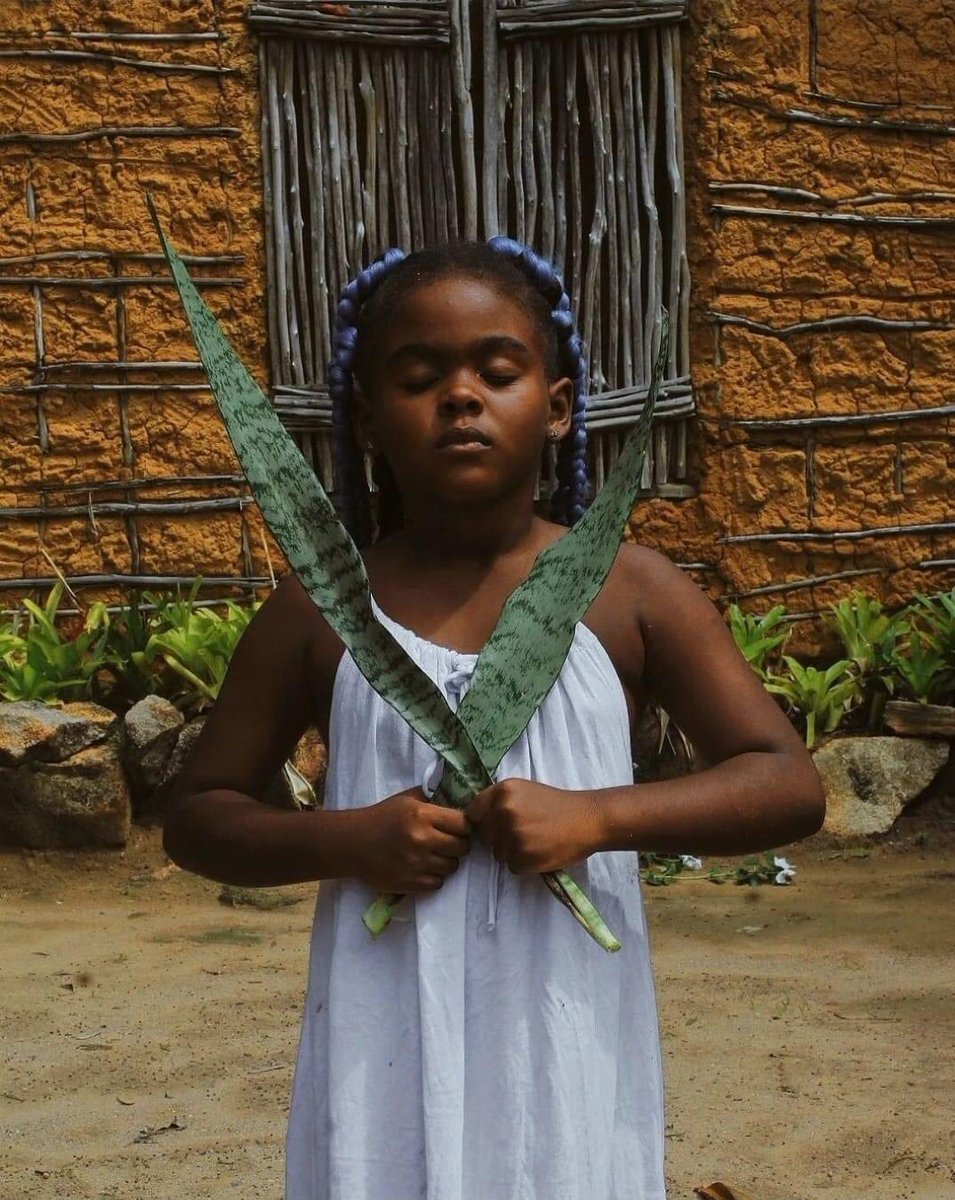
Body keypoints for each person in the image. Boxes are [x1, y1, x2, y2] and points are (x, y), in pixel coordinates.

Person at [162, 238, 825, 1200]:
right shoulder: (316, 612)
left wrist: (599, 818)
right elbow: (199, 815)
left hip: (564, 1026)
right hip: (379, 1029)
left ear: (556, 407)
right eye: (420, 377)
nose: (460, 397)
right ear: (366, 418)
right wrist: (350, 839)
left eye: (497, 371)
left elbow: (784, 781)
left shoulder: (628, 591)